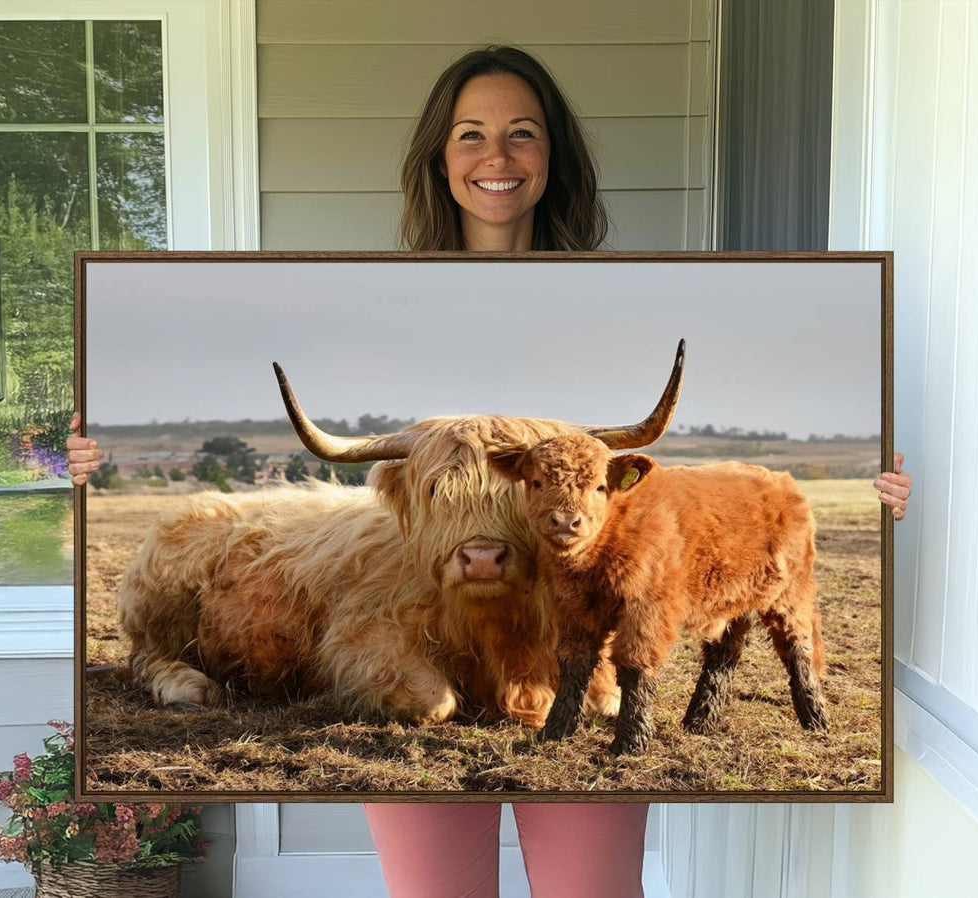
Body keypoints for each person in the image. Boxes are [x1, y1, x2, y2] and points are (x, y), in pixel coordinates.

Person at [67, 45, 912, 898]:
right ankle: (154, 661)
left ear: (554, 156)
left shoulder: (626, 291)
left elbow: (631, 491)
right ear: (440, 156)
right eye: (470, 134)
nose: (496, 157)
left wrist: (883, 488)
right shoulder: (371, 289)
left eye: (522, 134)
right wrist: (84, 454)